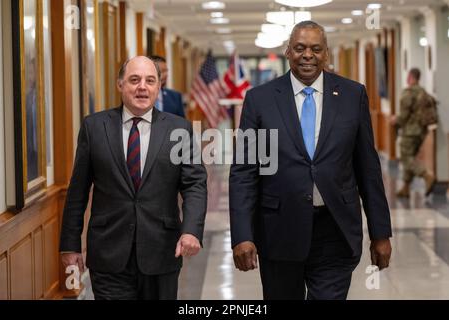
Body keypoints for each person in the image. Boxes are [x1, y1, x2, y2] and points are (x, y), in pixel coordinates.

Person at [229, 21, 392, 300]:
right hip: (279, 229)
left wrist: (380, 232)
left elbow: (368, 168)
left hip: (335, 230)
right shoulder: (260, 99)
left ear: (326, 53)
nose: (308, 55)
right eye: (300, 48)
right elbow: (245, 172)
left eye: (316, 49)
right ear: (288, 52)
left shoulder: (353, 95)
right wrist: (242, 235)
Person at [59, 56, 207, 300]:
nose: (142, 87)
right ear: (120, 85)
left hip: (162, 252)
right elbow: (78, 190)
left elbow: (194, 184)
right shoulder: (94, 127)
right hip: (108, 254)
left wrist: (191, 230)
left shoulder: (179, 128)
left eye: (150, 80)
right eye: (134, 80)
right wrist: (70, 243)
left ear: (159, 86)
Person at [391, 68, 435, 198]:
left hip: (410, 132)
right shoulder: (423, 92)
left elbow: (403, 116)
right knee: (410, 157)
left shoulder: (408, 93)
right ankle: (405, 188)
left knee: (407, 159)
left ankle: (426, 175)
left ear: (410, 77)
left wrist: (395, 120)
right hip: (421, 132)